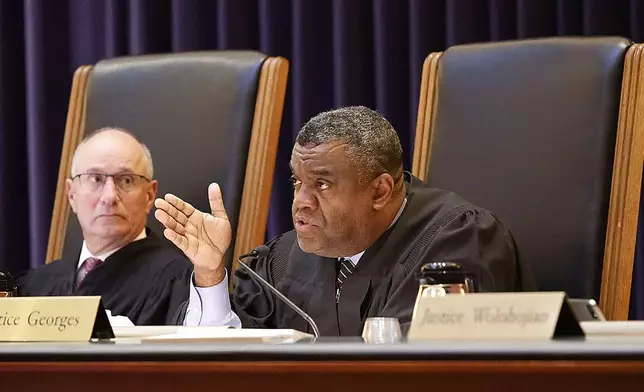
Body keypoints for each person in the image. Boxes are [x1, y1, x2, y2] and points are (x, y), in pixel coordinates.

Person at [155, 106, 536, 336]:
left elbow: (430, 370)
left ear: (380, 190)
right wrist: (210, 275)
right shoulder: (286, 257)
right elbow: (225, 366)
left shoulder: (459, 241)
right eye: (296, 181)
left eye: (321, 183)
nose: (301, 203)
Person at [18, 128, 194, 325]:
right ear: (71, 194)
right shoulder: (35, 285)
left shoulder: (179, 282)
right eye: (95, 179)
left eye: (126, 180)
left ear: (149, 195)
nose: (109, 196)